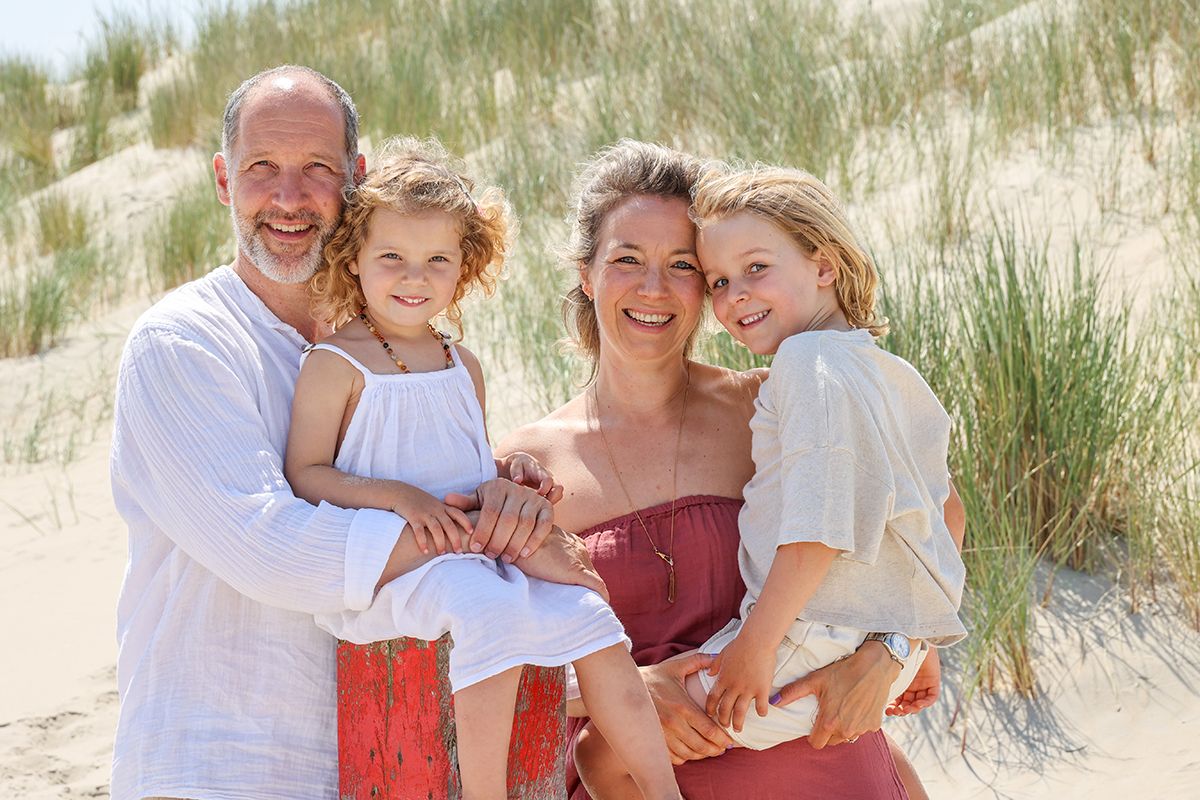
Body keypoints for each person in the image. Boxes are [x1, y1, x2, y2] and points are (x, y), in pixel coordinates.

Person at [109, 65, 602, 800]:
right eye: (261, 169)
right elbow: (268, 546)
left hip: (379, 755)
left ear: (356, 180)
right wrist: (486, 535)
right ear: (223, 180)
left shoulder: (393, 346)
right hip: (218, 764)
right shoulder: (184, 343)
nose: (288, 197)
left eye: (316, 169)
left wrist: (501, 486)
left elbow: (408, 492)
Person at [497, 139, 964, 800]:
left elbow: (934, 513)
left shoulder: (770, 402)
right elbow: (492, 666)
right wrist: (622, 692)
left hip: (825, 763)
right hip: (635, 772)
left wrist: (888, 651)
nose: (653, 288)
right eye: (626, 258)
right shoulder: (528, 466)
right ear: (586, 272)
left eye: (683, 265)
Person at [282, 137, 680, 800]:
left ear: (464, 266)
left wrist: (506, 471)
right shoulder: (336, 364)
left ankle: (662, 790)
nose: (415, 277)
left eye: (437, 259)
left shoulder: (461, 366)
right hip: (396, 570)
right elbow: (307, 473)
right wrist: (398, 498)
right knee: (487, 604)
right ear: (353, 258)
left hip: (474, 550)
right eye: (392, 258)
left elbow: (461, 466)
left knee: (587, 611)